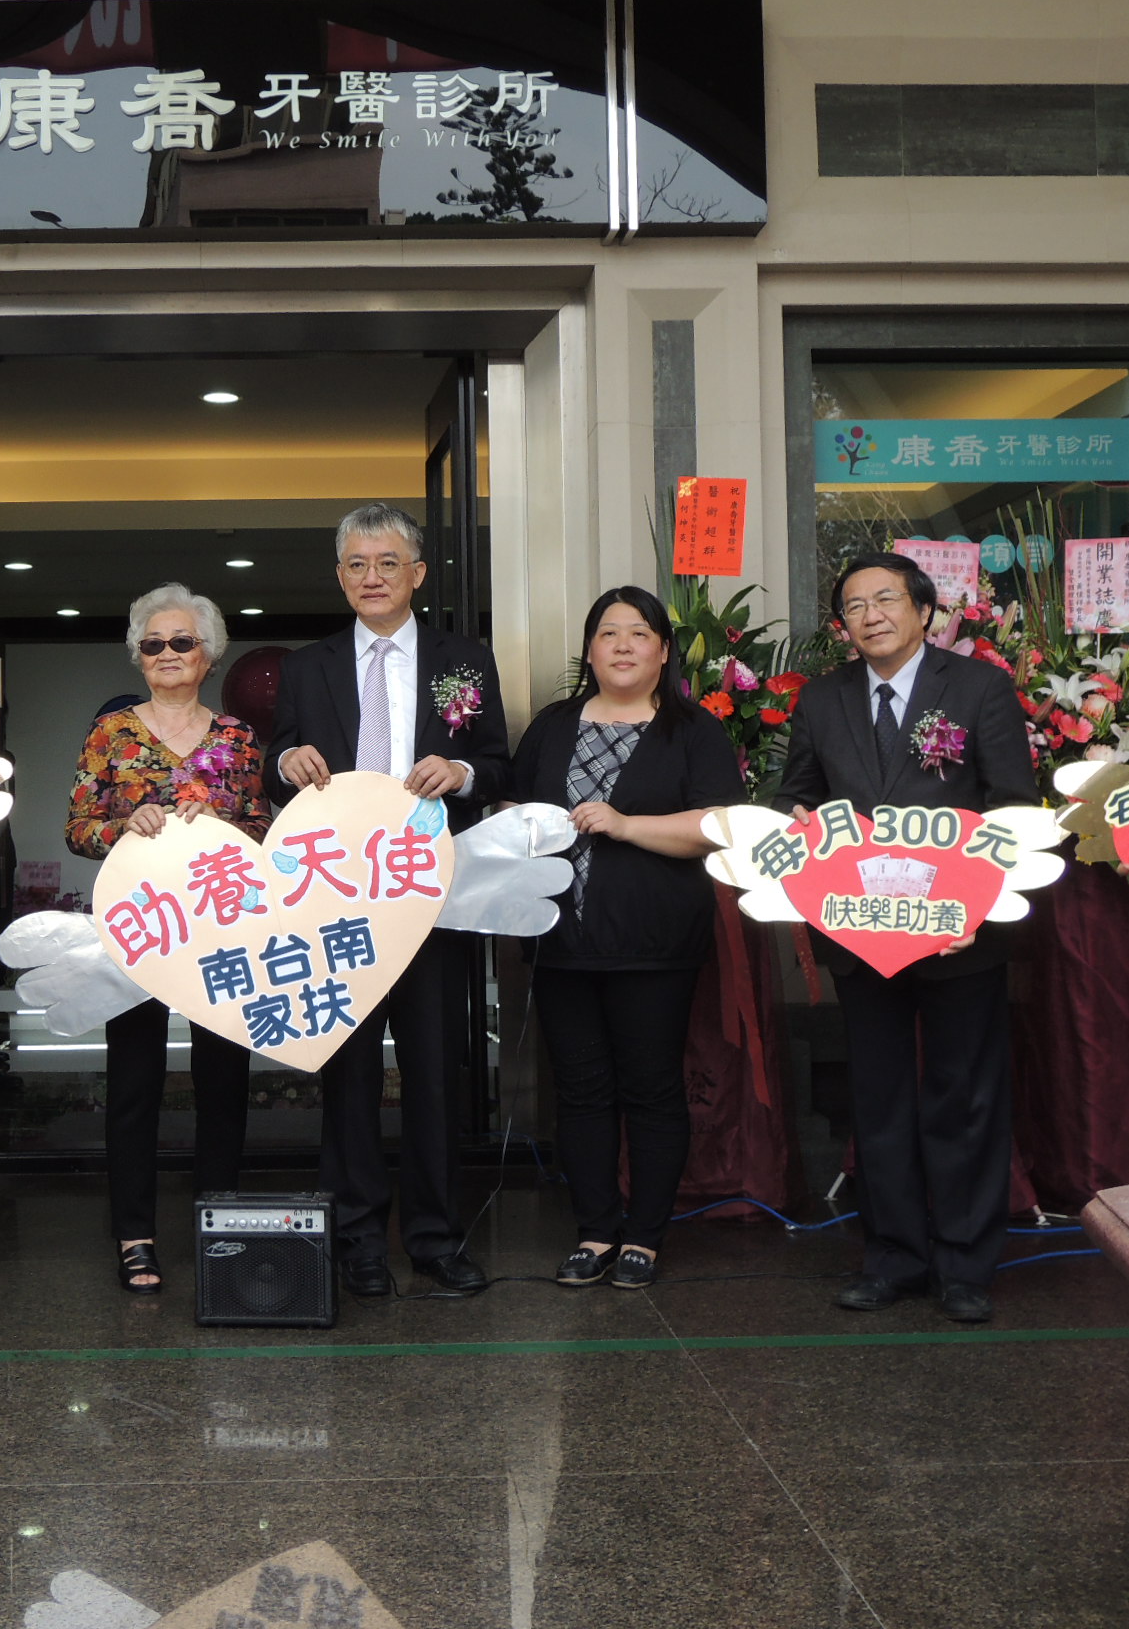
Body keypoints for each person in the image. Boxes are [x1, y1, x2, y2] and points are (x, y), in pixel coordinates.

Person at [776, 551, 1036, 1324]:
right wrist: (796, 819)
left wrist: (973, 911)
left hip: (959, 935)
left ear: (925, 611)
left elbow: (1012, 806)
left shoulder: (979, 687)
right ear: (843, 625)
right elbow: (800, 794)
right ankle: (892, 1257)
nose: (871, 615)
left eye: (886, 599)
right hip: (862, 931)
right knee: (878, 1098)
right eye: (854, 606)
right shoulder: (822, 700)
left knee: (964, 1096)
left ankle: (966, 1266)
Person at [265, 502, 511, 1297]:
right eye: (356, 565)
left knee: (438, 1073)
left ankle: (437, 1238)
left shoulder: (464, 661)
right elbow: (277, 755)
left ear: (418, 573)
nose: (372, 578)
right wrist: (285, 760)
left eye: (386, 563)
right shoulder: (307, 666)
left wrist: (464, 773)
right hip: (338, 903)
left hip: (429, 899)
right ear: (340, 577)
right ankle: (358, 1242)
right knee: (349, 1077)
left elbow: (499, 763)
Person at [511, 587, 744, 1291]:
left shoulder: (692, 730)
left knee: (650, 1090)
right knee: (580, 1093)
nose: (621, 645)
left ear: (664, 650)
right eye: (607, 633)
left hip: (653, 942)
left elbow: (718, 826)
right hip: (561, 939)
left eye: (638, 634)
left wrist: (625, 824)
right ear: (589, 650)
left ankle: (643, 1236)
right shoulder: (553, 725)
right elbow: (515, 807)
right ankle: (593, 1230)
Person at [66, 584, 269, 1291]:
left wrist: (219, 827)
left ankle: (222, 1223)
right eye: (152, 644)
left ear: (209, 654)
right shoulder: (110, 733)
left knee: (222, 1081)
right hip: (139, 925)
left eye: (182, 642)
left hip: (221, 926)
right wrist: (125, 824)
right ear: (137, 657)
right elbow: (78, 826)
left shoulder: (240, 739)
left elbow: (264, 832)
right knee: (134, 1083)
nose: (167, 655)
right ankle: (135, 1236)